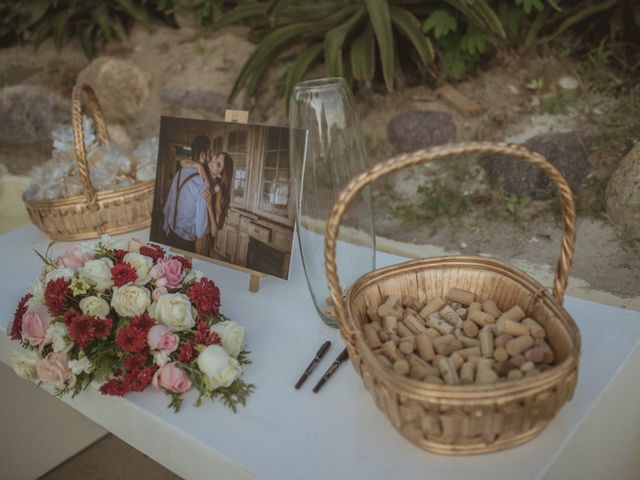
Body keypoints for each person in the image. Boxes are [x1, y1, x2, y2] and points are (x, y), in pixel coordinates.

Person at [162, 135, 210, 254]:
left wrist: (167, 229)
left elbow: (167, 207)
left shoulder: (179, 173)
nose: (211, 158)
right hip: (185, 243)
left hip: (170, 235)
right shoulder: (202, 183)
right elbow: (201, 230)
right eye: (210, 154)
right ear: (203, 155)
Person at [201, 152, 234, 242]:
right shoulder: (202, 172)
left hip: (201, 239)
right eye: (216, 157)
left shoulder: (218, 192)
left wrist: (209, 205)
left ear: (219, 174)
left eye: (218, 164)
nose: (214, 161)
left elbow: (214, 232)